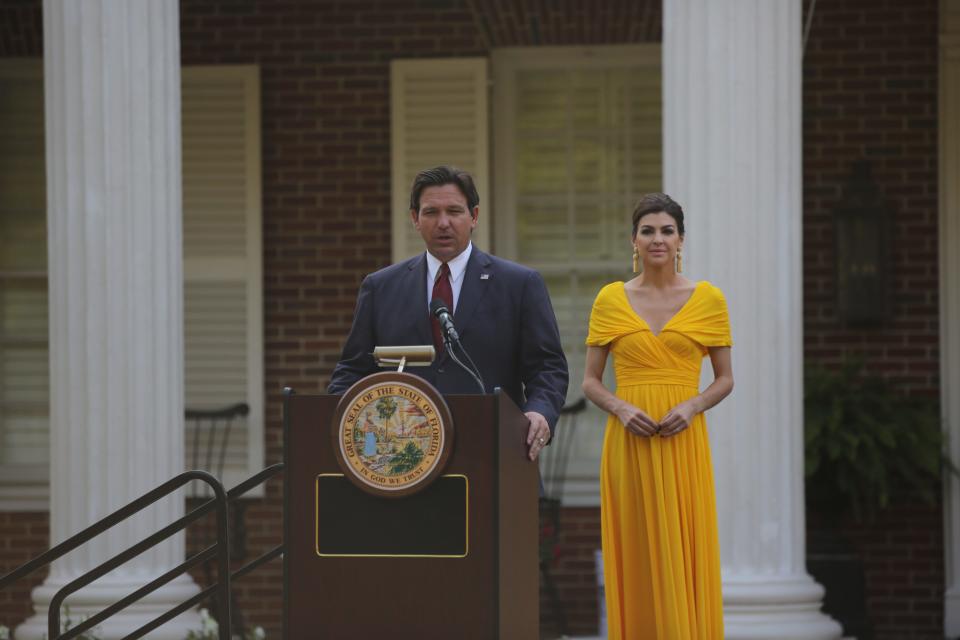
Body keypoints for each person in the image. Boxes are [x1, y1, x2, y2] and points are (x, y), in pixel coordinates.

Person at [327, 165, 568, 461]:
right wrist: (344, 424)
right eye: (431, 212)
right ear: (415, 218)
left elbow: (547, 368)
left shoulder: (518, 284)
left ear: (474, 217)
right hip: (400, 462)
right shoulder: (380, 287)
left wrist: (539, 412)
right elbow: (352, 371)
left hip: (492, 454)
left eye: (454, 211)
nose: (443, 223)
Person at [582, 193, 734, 639]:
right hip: (629, 444)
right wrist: (621, 407)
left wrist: (692, 405)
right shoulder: (610, 299)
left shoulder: (708, 299)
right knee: (638, 552)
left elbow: (725, 379)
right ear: (634, 240)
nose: (657, 239)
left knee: (683, 551)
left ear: (681, 239)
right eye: (648, 230)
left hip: (682, 442)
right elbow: (590, 381)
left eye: (667, 230)